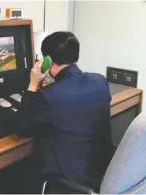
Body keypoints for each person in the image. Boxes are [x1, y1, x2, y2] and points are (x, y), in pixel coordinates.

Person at [17, 31, 114, 193]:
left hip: (66, 185)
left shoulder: (49, 96)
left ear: (47, 60)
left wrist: (33, 85)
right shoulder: (100, 82)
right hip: (100, 178)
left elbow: (22, 127)